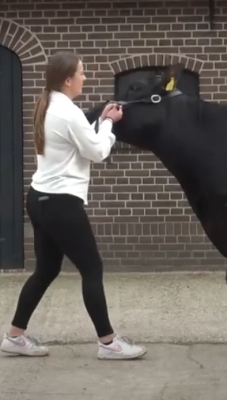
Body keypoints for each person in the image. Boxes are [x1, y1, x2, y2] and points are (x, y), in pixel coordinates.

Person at [0, 51, 147, 360]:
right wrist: (108, 122)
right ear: (67, 79)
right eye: (82, 72)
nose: (85, 76)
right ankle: (108, 343)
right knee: (92, 268)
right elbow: (95, 151)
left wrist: (98, 118)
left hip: (39, 198)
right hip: (60, 204)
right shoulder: (67, 112)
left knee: (46, 270)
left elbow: (78, 141)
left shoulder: (49, 104)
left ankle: (14, 337)